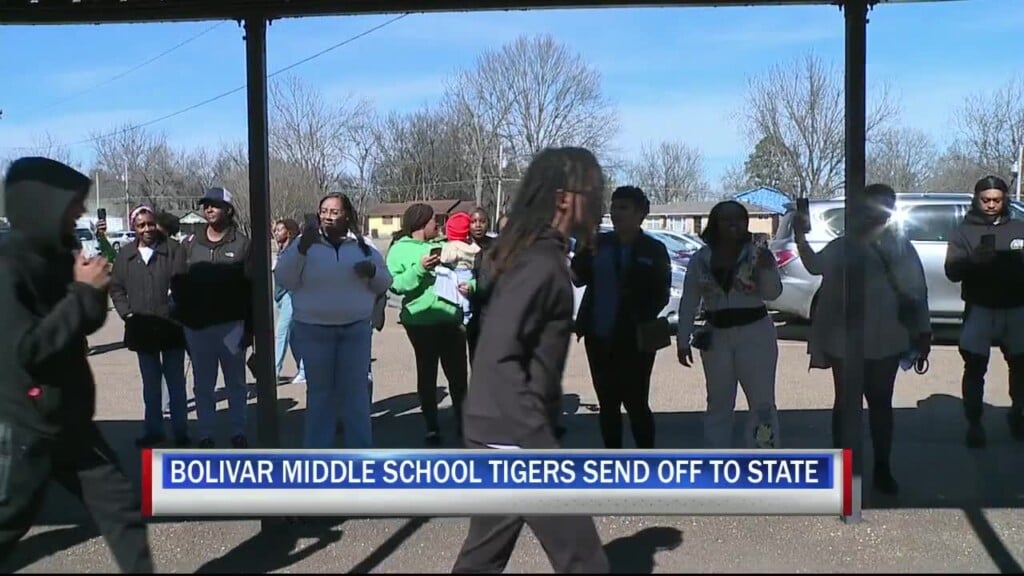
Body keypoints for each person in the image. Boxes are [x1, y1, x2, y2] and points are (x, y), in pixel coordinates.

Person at [453, 146, 610, 574]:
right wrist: (540, 447)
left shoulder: (545, 254)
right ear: (563, 198)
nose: (600, 202)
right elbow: (498, 358)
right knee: (585, 561)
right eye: (593, 193)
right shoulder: (540, 261)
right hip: (515, 440)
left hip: (501, 431)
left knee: (483, 557)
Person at [0, 157, 153, 571]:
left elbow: (83, 322)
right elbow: (27, 350)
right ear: (43, 204)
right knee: (8, 523)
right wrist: (81, 294)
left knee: (120, 506)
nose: (80, 212)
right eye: (73, 203)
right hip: (25, 427)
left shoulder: (62, 250)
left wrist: (91, 291)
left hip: (71, 423)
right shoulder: (8, 264)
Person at [796, 183, 931, 495]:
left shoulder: (901, 247)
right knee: (845, 402)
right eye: (872, 205)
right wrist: (800, 235)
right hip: (844, 336)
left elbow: (917, 293)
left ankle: (882, 467)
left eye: (884, 205)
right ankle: (840, 469)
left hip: (888, 334)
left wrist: (923, 332)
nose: (876, 212)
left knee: (881, 402)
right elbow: (814, 266)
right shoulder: (843, 245)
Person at [276, 194, 392, 449]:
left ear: (347, 215)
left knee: (356, 395)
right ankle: (318, 455)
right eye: (324, 211)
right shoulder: (303, 244)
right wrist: (301, 249)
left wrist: (372, 272)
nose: (328, 216)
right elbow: (285, 278)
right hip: (314, 330)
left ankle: (360, 453)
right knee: (320, 396)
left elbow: (385, 282)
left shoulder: (364, 247)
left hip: (355, 330)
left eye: (334, 211)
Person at [676, 200, 783, 449]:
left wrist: (767, 270)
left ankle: (764, 460)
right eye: (726, 219)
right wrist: (683, 339)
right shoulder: (700, 259)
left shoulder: (758, 254)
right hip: (715, 336)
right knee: (718, 402)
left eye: (739, 218)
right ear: (715, 223)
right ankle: (717, 460)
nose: (733, 223)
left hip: (755, 333)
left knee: (762, 403)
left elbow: (773, 294)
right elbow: (689, 300)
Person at [572, 185, 671, 449]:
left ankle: (645, 462)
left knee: (637, 403)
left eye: (623, 207)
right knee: (608, 404)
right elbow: (578, 278)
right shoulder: (598, 243)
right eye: (614, 207)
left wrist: (638, 317)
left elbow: (661, 293)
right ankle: (614, 463)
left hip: (635, 340)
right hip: (599, 335)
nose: (616, 213)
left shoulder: (654, 249)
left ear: (641, 213)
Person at [945, 175, 1024, 446]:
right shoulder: (963, 232)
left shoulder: (1019, 228)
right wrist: (972, 261)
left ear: (1005, 200)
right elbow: (952, 272)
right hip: (980, 308)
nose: (991, 205)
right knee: (975, 367)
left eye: (997, 200)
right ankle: (974, 423)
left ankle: (1018, 414)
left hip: (1016, 309)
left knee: (1020, 368)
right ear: (976, 200)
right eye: (986, 200)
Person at [171, 187, 253, 449]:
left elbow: (251, 287)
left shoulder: (241, 243)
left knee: (235, 383)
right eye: (206, 205)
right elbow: (179, 283)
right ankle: (206, 432)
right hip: (198, 327)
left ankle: (238, 431)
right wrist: (183, 319)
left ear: (228, 210)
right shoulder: (190, 243)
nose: (209, 209)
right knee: (203, 384)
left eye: (215, 205)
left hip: (232, 326)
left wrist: (250, 327)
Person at [386, 204, 469, 446]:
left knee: (458, 376)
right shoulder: (399, 250)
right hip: (420, 322)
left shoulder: (446, 246)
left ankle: (463, 422)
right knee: (427, 374)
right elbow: (396, 285)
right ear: (422, 223)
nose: (438, 225)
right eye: (435, 221)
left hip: (451, 319)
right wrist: (421, 268)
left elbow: (466, 269)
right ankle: (432, 425)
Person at [109, 206, 190, 448]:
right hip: (142, 327)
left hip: (171, 327)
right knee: (151, 384)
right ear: (133, 227)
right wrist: (128, 313)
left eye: (150, 224)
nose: (147, 229)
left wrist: (175, 304)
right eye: (141, 225)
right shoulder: (125, 255)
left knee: (176, 383)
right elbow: (116, 288)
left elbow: (182, 283)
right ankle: (154, 430)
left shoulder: (174, 250)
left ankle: (180, 432)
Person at [273, 218, 305, 384]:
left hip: (290, 295)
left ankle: (274, 372)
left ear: (289, 232)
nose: (276, 232)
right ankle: (304, 369)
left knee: (281, 333)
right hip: (279, 295)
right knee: (293, 336)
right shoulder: (282, 250)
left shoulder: (295, 249)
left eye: (280, 229)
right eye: (276, 230)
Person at [463, 207, 496, 362]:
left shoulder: (496, 246)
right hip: (468, 307)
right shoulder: (460, 246)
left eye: (482, 221)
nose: (477, 225)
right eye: (473, 221)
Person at [440, 212, 479, 324]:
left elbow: (447, 259)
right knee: (465, 295)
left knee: (460, 294)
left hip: (458, 271)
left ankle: (466, 314)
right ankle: (467, 312)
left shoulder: (453, 246)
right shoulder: (471, 246)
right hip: (469, 272)